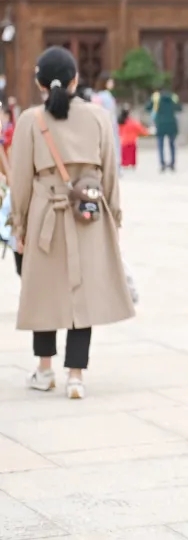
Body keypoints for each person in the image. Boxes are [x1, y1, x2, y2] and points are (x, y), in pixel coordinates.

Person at [12, 47, 135, 400]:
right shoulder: (97, 117)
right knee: (84, 294)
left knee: (43, 291)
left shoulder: (30, 121)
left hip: (44, 215)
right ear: (76, 80)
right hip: (90, 213)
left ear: (39, 83)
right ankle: (76, 375)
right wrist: (115, 213)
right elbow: (111, 170)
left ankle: (45, 370)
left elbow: (20, 178)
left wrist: (18, 224)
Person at [146, 85, 182, 172]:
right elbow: (179, 108)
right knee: (172, 145)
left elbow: (148, 107)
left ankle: (162, 164)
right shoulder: (173, 97)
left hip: (160, 124)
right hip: (172, 124)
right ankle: (172, 163)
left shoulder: (156, 98)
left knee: (160, 145)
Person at [94, 74, 120, 169]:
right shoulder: (106, 96)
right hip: (110, 124)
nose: (112, 83)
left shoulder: (97, 95)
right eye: (110, 81)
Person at [117, 105, 149, 170]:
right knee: (131, 156)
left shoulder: (119, 123)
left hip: (123, 142)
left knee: (125, 157)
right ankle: (131, 165)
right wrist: (146, 133)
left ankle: (125, 165)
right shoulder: (132, 122)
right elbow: (142, 130)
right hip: (131, 142)